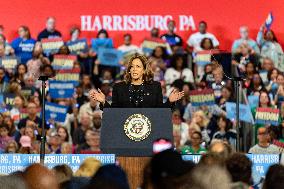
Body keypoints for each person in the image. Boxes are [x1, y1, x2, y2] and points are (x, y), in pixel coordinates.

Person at [90, 54, 184, 108]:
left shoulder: (155, 87)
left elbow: (159, 111)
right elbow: (114, 113)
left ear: (144, 70)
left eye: (138, 66)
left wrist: (169, 102)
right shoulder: (118, 87)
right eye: (132, 67)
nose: (134, 69)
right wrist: (103, 102)